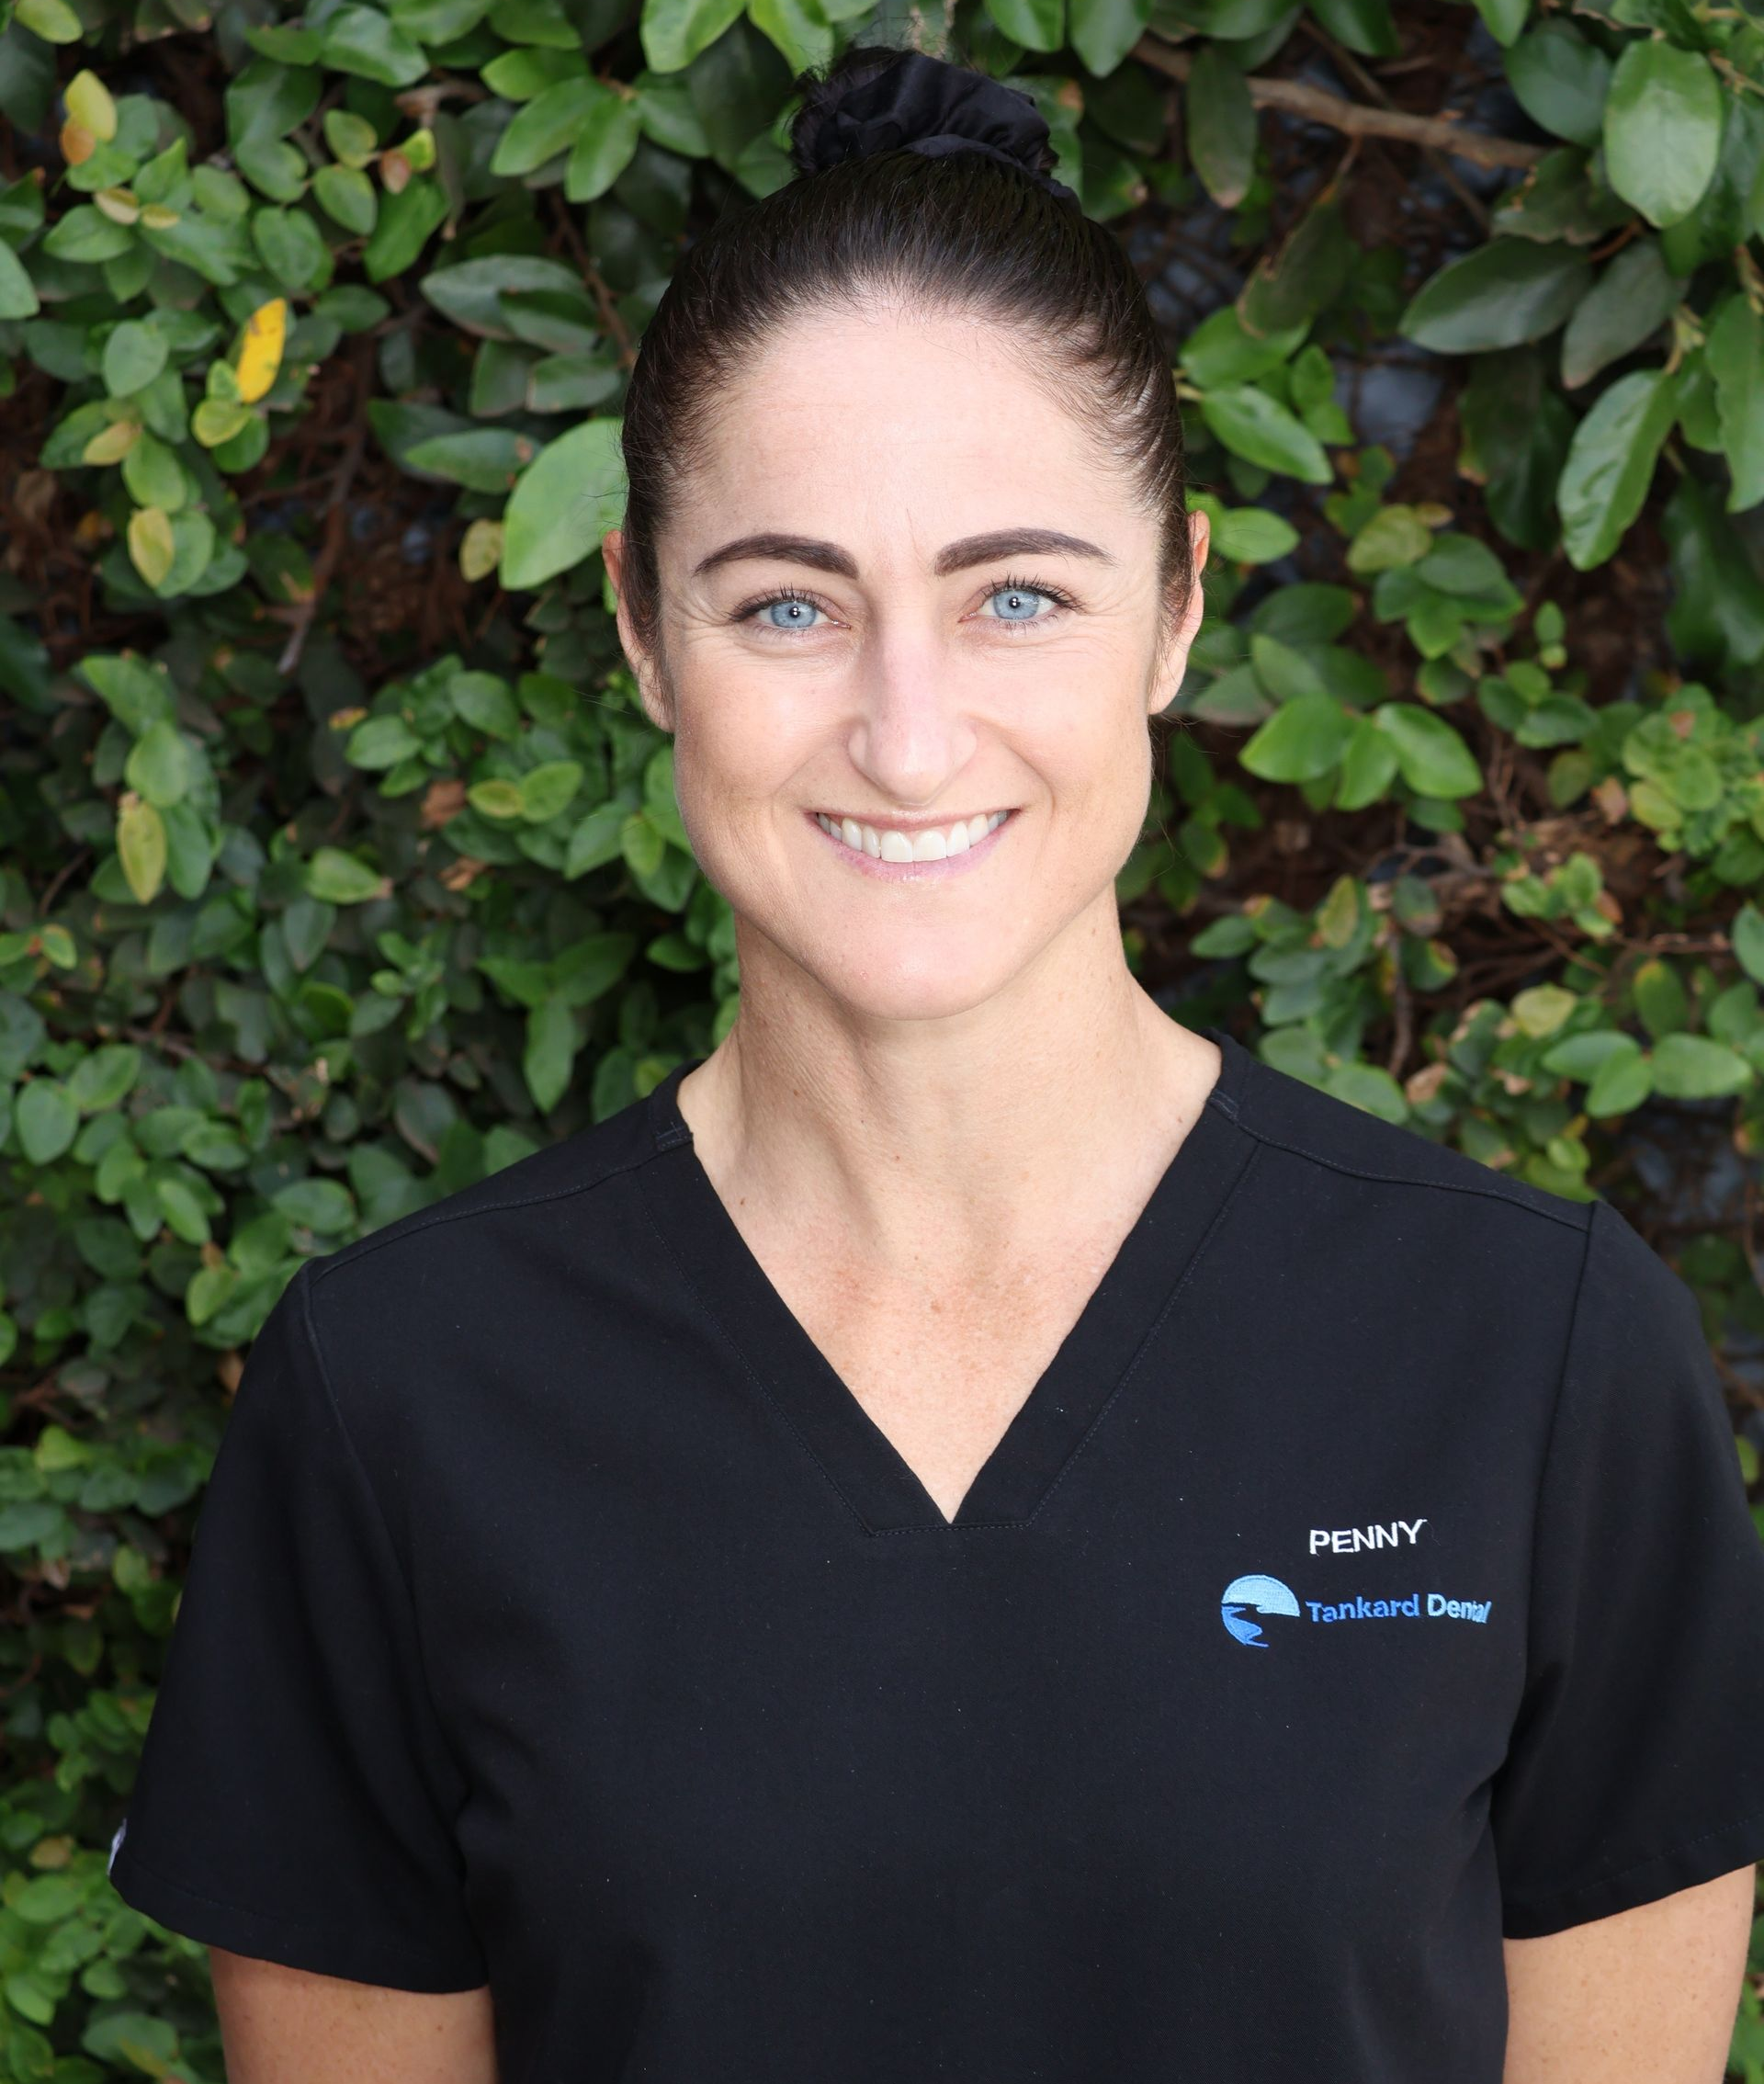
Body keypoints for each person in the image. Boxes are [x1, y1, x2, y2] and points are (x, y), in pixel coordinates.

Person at [108, 39, 1764, 2084]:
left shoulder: (1537, 1355)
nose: (906, 732)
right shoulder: (400, 1401)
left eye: (1015, 597)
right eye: (792, 605)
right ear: (643, 635)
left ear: (1173, 614)